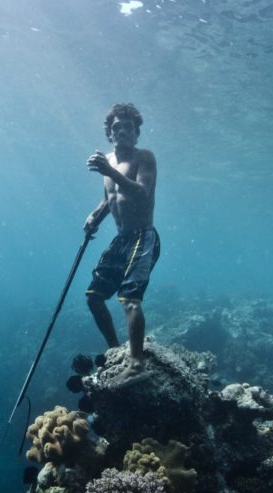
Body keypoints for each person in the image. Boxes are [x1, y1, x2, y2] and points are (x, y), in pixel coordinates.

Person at [83, 103, 160, 382]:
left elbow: (142, 192)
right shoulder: (108, 162)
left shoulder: (144, 157)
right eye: (117, 127)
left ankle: (137, 364)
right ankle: (115, 350)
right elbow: (110, 198)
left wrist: (109, 171)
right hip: (121, 239)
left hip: (143, 236)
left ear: (137, 133)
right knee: (94, 297)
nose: (123, 131)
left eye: (129, 127)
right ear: (109, 133)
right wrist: (95, 216)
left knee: (129, 299)